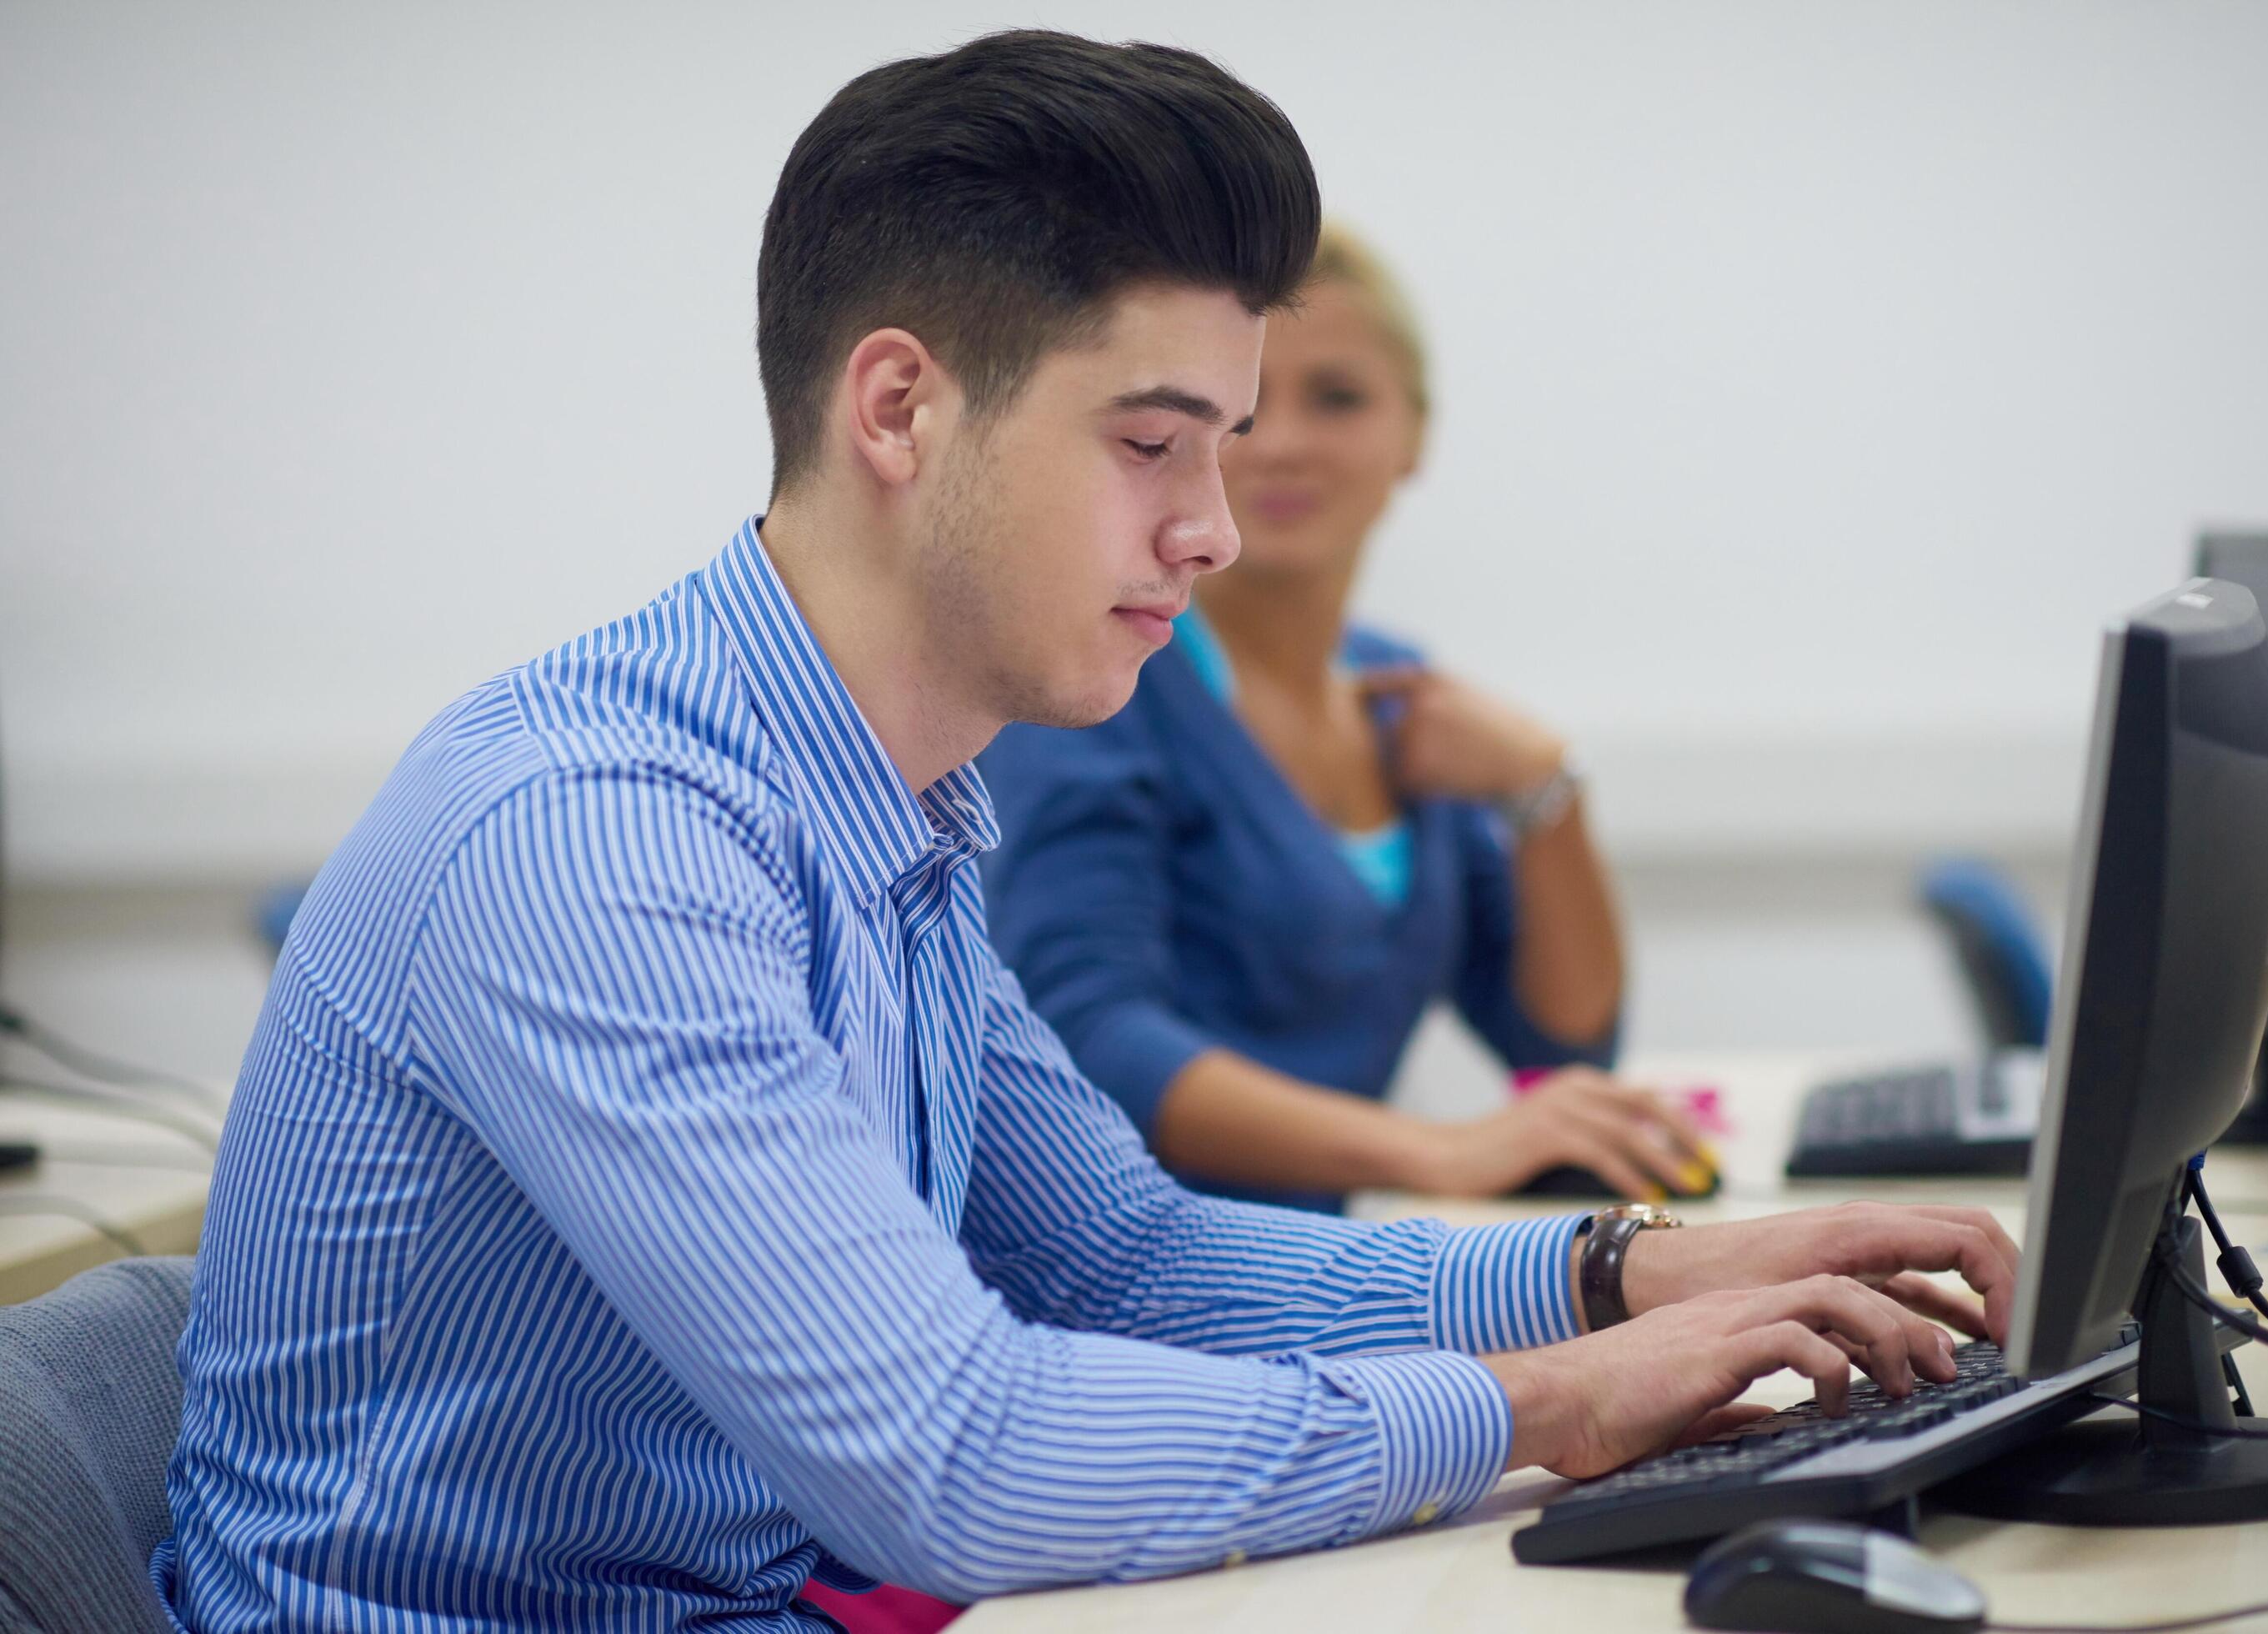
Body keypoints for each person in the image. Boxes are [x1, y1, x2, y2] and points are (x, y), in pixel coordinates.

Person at [154, 31, 2018, 1631]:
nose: (1213, 527)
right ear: (900, 405)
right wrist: (1544, 1401)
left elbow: (1125, 1259)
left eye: (1225, 442)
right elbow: (946, 1460)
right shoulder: (598, 839)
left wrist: (1627, 1269)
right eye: (1151, 443)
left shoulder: (893, 808)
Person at [980, 223, 1705, 1213]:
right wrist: (1432, 1152)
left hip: (1318, 1277)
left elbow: (1560, 1049)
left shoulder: (1400, 690)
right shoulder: (1097, 684)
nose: (1280, 442)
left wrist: (1549, 790)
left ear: (1414, 436)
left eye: (1338, 398)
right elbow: (1089, 1032)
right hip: (1132, 1292)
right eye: (1236, 411)